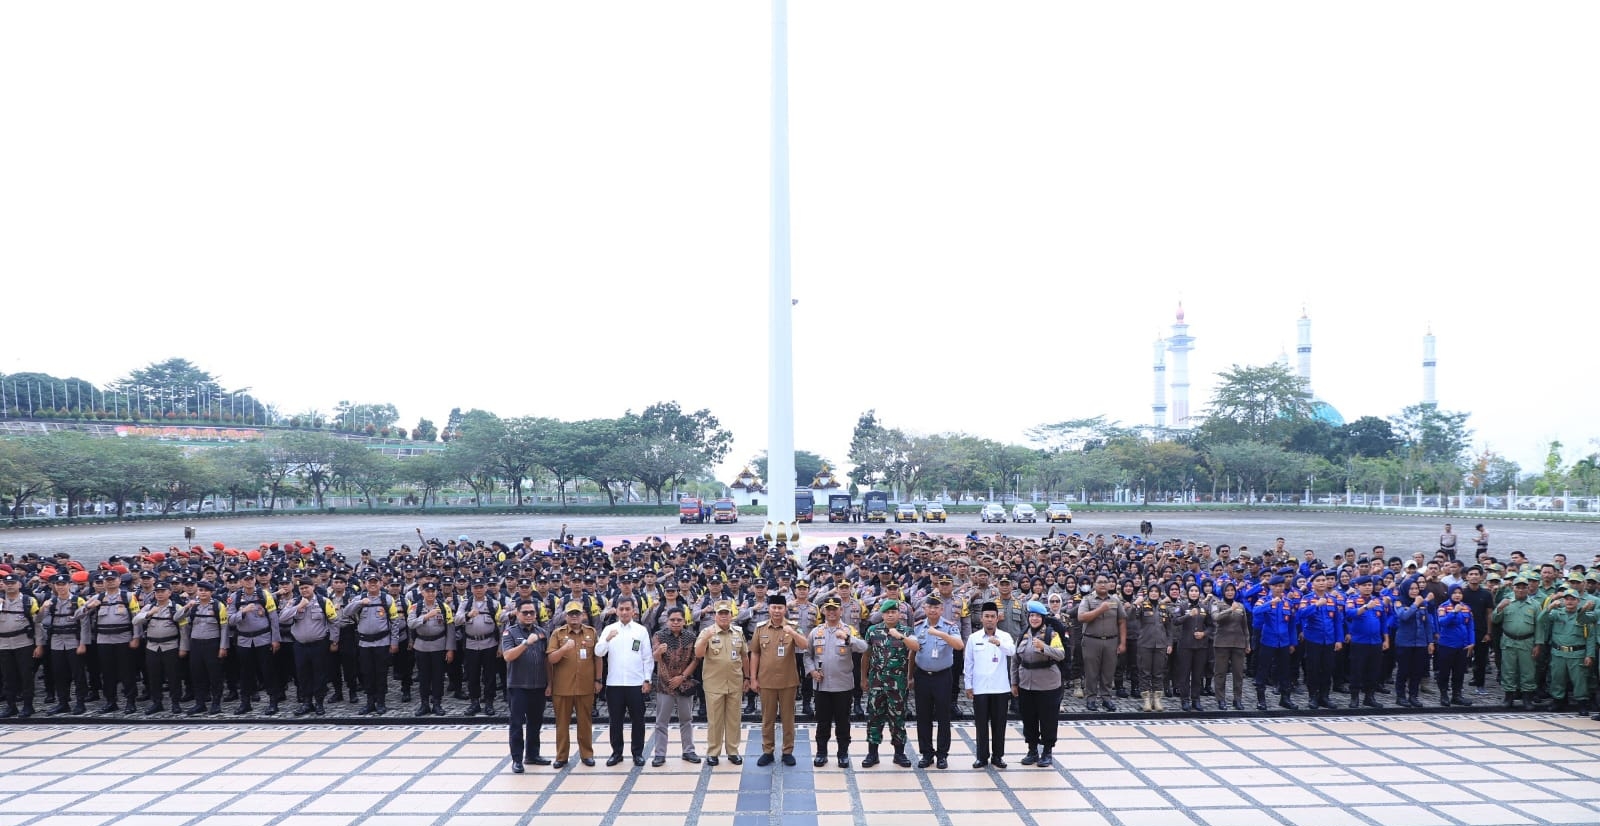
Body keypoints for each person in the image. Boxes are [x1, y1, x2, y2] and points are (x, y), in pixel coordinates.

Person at [805, 596, 866, 767]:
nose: (831, 612)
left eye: (835, 609)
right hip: (822, 685)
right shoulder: (816, 632)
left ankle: (843, 753)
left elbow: (863, 647)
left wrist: (848, 638)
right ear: (823, 611)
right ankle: (821, 752)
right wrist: (811, 671)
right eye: (828, 609)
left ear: (841, 611)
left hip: (843, 685)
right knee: (822, 721)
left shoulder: (849, 629)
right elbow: (807, 655)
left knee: (842, 721)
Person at [749, 593, 807, 767]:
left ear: (785, 609)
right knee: (767, 718)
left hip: (788, 681)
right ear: (769, 609)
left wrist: (793, 633)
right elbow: (755, 653)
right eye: (773, 607)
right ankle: (768, 751)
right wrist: (753, 678)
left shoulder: (793, 626)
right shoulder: (760, 628)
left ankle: (787, 751)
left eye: (780, 608)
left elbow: (805, 645)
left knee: (788, 718)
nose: (776, 611)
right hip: (766, 681)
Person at [860, 598, 918, 768]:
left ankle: (899, 754)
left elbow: (914, 650)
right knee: (874, 717)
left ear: (899, 614)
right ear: (882, 614)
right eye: (887, 613)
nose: (890, 615)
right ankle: (872, 753)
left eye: (893, 612)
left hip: (898, 684)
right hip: (877, 682)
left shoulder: (907, 631)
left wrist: (909, 677)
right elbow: (866, 655)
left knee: (898, 718)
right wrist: (863, 678)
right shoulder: (872, 631)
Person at [547, 600, 602, 769]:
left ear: (583, 615)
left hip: (585, 686)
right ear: (565, 616)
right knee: (562, 724)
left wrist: (598, 680)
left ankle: (587, 754)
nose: (574, 617)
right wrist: (564, 649)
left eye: (577, 614)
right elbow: (551, 659)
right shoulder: (558, 634)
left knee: (585, 722)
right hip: (562, 687)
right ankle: (561, 756)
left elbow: (598, 657)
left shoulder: (591, 632)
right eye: (571, 614)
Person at [910, 594, 962, 769]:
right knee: (923, 716)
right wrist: (910, 676)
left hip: (942, 676)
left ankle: (942, 755)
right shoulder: (917, 627)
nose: (932, 610)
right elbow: (912, 652)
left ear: (941, 610)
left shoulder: (949, 626)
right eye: (929, 607)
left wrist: (940, 633)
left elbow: (958, 645)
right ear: (924, 609)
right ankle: (926, 753)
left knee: (943, 717)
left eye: (936, 607)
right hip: (922, 675)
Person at [502, 599, 552, 773]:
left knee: (535, 723)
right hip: (518, 685)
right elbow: (507, 656)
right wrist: (525, 643)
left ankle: (532, 755)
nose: (529, 615)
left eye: (532, 612)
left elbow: (547, 659)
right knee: (517, 723)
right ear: (517, 613)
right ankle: (517, 759)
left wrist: (550, 683)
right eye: (525, 612)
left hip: (538, 685)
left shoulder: (542, 632)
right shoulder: (510, 632)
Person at [1012, 601, 1064, 767]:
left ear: (1042, 618)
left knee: (1048, 719)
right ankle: (1032, 750)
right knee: (1029, 718)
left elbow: (1061, 654)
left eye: (1037, 616)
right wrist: (1014, 683)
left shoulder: (1051, 634)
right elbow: (1015, 660)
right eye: (1031, 615)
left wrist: (1044, 648)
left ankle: (1047, 751)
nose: (1034, 619)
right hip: (1026, 683)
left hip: (1048, 684)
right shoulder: (1023, 634)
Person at [965, 602, 1016, 769]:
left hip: (1000, 688)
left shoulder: (1005, 636)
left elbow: (1012, 651)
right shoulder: (974, 638)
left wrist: (999, 643)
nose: (989, 620)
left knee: (999, 724)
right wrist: (968, 685)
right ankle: (981, 756)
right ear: (981, 618)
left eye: (992, 617)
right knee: (981, 724)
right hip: (980, 688)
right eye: (986, 616)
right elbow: (969, 663)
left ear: (997, 618)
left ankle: (998, 756)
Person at [695, 600, 746, 766]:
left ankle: (733, 751)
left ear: (731, 615)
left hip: (735, 682)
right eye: (721, 613)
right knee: (715, 720)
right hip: (714, 683)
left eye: (727, 613)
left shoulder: (738, 632)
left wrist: (748, 678)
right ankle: (713, 752)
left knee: (733, 719)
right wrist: (705, 639)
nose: (724, 616)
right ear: (715, 616)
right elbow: (699, 654)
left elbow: (744, 656)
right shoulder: (707, 631)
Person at [648, 608, 701, 767]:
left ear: (684, 621)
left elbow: (695, 660)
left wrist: (682, 677)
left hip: (684, 683)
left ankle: (688, 750)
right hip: (665, 684)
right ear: (667, 621)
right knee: (661, 721)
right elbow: (655, 658)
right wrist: (659, 651)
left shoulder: (691, 637)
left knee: (686, 719)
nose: (676, 622)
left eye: (679, 620)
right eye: (672, 620)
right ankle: (660, 753)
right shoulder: (659, 636)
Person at [279, 578, 337, 717]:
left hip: (319, 644)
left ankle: (319, 703)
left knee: (320, 675)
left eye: (307, 587)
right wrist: (298, 607)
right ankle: (307, 702)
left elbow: (334, 622)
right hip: (300, 645)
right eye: (302, 588)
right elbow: (282, 618)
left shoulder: (324, 601)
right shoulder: (294, 601)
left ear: (313, 587)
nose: (304, 590)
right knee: (303, 675)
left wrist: (334, 641)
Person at [1536, 589, 1595, 714]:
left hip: (1577, 653)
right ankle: (1558, 702)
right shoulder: (1557, 613)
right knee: (1557, 678)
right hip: (1558, 653)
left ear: (1578, 601)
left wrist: (1590, 655)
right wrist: (1550, 606)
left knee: (1579, 680)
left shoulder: (1585, 615)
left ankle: (1582, 703)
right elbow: (1540, 620)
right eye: (1567, 599)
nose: (1569, 601)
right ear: (1563, 600)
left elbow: (1590, 637)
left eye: (1573, 599)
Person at [41, 574, 90, 716]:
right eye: (58, 584)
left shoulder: (78, 600)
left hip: (73, 641)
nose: (60, 587)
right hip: (56, 642)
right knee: (59, 673)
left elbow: (84, 624)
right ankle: (63, 703)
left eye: (63, 584)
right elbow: (38, 619)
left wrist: (83, 643)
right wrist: (43, 608)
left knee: (78, 673)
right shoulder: (51, 601)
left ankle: (80, 702)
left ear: (69, 585)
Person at [132, 581, 183, 715]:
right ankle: (157, 702)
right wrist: (149, 614)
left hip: (170, 645)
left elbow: (184, 629)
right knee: (154, 676)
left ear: (169, 593)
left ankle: (175, 703)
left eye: (163, 591)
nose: (160, 594)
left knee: (173, 676)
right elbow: (135, 621)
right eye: (157, 592)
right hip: (152, 646)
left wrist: (184, 647)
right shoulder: (149, 607)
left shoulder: (176, 607)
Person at [1076, 575, 1125, 712]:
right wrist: (1100, 610)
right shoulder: (1087, 599)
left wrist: (1123, 642)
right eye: (1100, 582)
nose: (1103, 584)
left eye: (1105, 582)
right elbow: (1081, 617)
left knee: (1108, 672)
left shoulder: (1115, 601)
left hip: (1111, 641)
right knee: (1091, 672)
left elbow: (1122, 621)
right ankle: (1091, 699)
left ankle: (1106, 698)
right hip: (1092, 640)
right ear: (1094, 584)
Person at [180, 581, 229, 716]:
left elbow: (224, 627)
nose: (202, 593)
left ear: (211, 592)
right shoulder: (193, 606)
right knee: (197, 675)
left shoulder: (218, 606)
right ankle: (200, 703)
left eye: (205, 590)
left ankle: (215, 703)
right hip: (196, 644)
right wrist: (186, 607)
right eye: (200, 590)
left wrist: (223, 647)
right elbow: (177, 617)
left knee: (215, 676)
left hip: (212, 643)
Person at [407, 581, 455, 716]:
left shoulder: (444, 607)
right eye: (427, 591)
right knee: (423, 677)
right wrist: (426, 617)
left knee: (438, 677)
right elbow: (410, 624)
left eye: (432, 591)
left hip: (439, 645)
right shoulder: (415, 607)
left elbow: (450, 629)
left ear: (436, 592)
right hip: (421, 645)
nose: (430, 593)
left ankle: (437, 703)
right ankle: (424, 704)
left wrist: (450, 649)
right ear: (422, 592)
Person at [0, 573, 41, 719]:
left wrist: (39, 645)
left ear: (20, 584)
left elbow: (38, 623)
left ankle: (28, 706)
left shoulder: (28, 601)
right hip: (4, 644)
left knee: (26, 676)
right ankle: (11, 706)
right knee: (8, 677)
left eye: (13, 583)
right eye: (7, 583)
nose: (9, 585)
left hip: (24, 642)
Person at [1344, 576, 1389, 709]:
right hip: (1359, 641)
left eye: (1370, 585)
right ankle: (1354, 697)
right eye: (1365, 585)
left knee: (1373, 670)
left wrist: (1386, 639)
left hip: (1375, 641)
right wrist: (1365, 607)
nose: (1368, 587)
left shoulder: (1378, 601)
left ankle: (1369, 697)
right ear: (1358, 586)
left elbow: (1383, 622)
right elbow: (1349, 614)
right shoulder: (1352, 600)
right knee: (1357, 670)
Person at [1392, 578, 1436, 707]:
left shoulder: (1422, 603)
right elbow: (1403, 616)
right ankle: (1400, 696)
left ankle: (1413, 696)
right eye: (1411, 589)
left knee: (1417, 671)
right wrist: (1415, 605)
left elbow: (1427, 624)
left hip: (1420, 642)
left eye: (1416, 588)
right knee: (1403, 671)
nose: (1414, 591)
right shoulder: (1399, 601)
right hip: (1405, 642)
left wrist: (1430, 642)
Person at [1130, 585, 1174, 712]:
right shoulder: (1142, 606)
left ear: (1160, 594)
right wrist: (1134, 605)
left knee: (1158, 673)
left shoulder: (1164, 608)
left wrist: (1169, 643)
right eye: (1152, 591)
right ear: (1148, 593)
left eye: (1156, 591)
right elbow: (1130, 617)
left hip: (1161, 645)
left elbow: (1169, 628)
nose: (1154, 593)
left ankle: (1157, 699)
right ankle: (1146, 700)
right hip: (1145, 644)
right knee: (1145, 673)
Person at [1209, 581, 1250, 711]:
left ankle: (1237, 699)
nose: (1230, 592)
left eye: (1232, 590)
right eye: (1227, 590)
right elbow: (1216, 618)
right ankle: (1220, 699)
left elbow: (1245, 627)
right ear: (1223, 592)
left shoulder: (1240, 606)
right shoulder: (1217, 604)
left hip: (1238, 643)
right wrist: (1229, 610)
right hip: (1222, 643)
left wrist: (1247, 643)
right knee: (1220, 673)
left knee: (1238, 673)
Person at [1172, 583, 1213, 712]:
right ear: (1188, 593)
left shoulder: (1204, 607)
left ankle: (1196, 699)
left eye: (1196, 591)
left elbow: (1211, 626)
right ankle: (1185, 700)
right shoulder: (1182, 606)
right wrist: (1188, 615)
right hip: (1185, 645)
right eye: (1192, 591)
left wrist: (1204, 634)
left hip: (1201, 646)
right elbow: (1175, 621)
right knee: (1184, 674)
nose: (1194, 593)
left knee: (1197, 674)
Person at [1434, 585, 1476, 707]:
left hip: (1462, 646)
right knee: (1444, 672)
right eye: (1455, 593)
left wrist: (1472, 642)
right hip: (1447, 645)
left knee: (1459, 672)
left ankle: (1457, 695)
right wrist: (1453, 612)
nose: (1457, 595)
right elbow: (1442, 622)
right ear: (1450, 594)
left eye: (1459, 593)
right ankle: (1444, 695)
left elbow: (1470, 626)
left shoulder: (1466, 608)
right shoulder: (1443, 607)